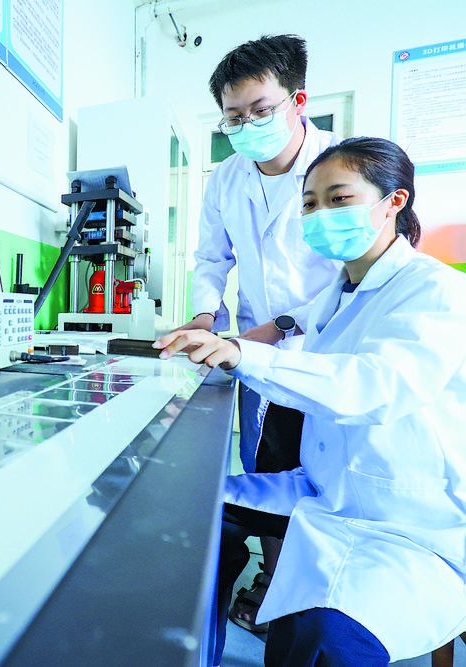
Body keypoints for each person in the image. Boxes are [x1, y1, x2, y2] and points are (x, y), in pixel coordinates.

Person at [155, 137, 466, 665]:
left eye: (338, 199)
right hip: (326, 492)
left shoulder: (435, 291)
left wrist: (241, 355)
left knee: (320, 641)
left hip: (406, 523)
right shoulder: (339, 294)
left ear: (394, 201)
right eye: (309, 203)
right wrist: (250, 335)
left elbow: (373, 386)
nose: (320, 214)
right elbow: (296, 319)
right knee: (194, 513)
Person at [176, 34, 342, 630]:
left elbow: (355, 271)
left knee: (326, 482)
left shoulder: (342, 167)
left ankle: (318, 599)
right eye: (233, 118)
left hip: (328, 348)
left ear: (298, 100)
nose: (247, 127)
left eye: (260, 110)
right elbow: (210, 258)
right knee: (268, 472)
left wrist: (269, 332)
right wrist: (204, 316)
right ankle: (273, 589)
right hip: (253, 352)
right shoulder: (226, 177)